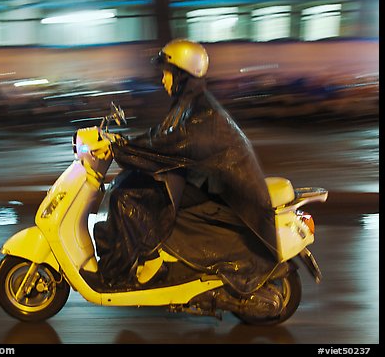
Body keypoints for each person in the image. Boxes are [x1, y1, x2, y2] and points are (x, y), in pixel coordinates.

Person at [94, 39, 284, 293]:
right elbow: (161, 136)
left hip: (222, 193)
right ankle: (147, 256)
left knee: (126, 197)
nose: (163, 79)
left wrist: (121, 148)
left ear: (182, 75)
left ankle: (150, 262)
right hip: (204, 181)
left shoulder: (202, 112)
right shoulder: (190, 102)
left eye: (167, 73)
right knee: (129, 183)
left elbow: (170, 143)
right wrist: (123, 143)